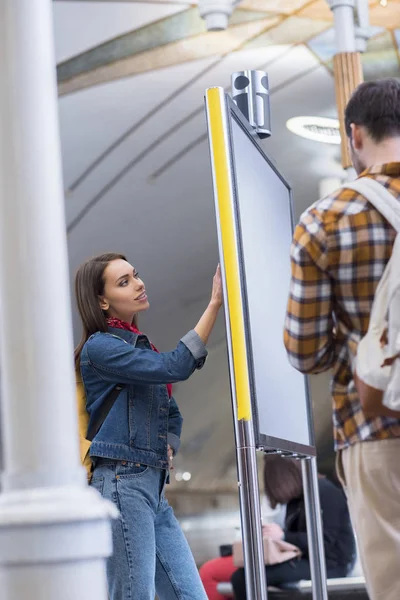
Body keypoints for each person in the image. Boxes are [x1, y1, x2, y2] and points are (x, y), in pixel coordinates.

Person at [284, 78, 400, 600]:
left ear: (354, 135)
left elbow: (305, 352)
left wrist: (358, 338)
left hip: (373, 423)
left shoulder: (324, 220)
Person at [74, 253, 223, 600]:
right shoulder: (101, 349)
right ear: (102, 300)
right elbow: (176, 366)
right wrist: (215, 304)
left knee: (190, 595)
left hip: (152, 487)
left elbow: (172, 413)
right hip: (122, 483)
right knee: (132, 595)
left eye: (135, 275)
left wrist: (170, 442)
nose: (139, 284)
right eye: (123, 282)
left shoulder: (141, 348)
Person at [231, 455, 355, 598]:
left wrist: (283, 535)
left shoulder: (326, 492)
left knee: (245, 578)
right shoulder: (297, 498)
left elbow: (325, 542)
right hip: (307, 559)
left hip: (331, 564)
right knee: (244, 576)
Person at [199, 495, 286, 600]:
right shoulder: (278, 496)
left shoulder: (286, 496)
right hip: (266, 551)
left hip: (276, 553)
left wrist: (283, 535)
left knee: (209, 572)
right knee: (209, 571)